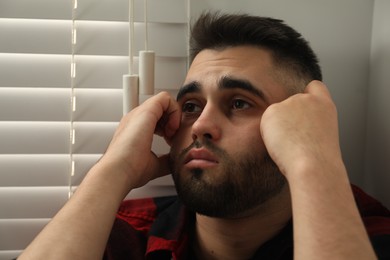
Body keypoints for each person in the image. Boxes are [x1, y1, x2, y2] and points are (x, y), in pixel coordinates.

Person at [18, 12, 389, 260]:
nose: (199, 125)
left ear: (300, 123)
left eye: (240, 103)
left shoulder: (368, 235)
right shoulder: (127, 234)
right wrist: (113, 170)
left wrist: (313, 161)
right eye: (191, 105)